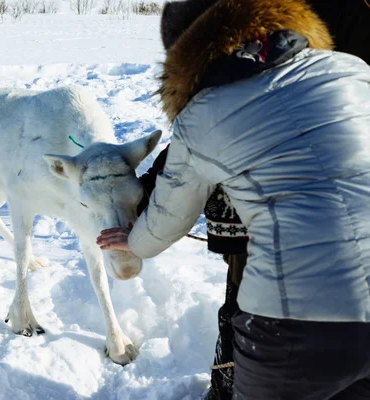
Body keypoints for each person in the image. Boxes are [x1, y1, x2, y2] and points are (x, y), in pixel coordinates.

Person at [98, 0, 370, 398]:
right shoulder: (351, 71)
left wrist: (134, 239)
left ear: (186, 57)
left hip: (291, 323)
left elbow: (167, 220)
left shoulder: (201, 115)